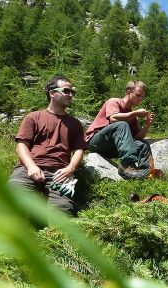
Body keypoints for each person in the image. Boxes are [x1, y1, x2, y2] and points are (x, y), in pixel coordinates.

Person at [9, 76, 87, 215]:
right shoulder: (33, 117)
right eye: (66, 91)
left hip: (60, 173)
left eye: (72, 92)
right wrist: (31, 166)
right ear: (52, 93)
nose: (70, 95)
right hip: (28, 168)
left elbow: (79, 150)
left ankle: (54, 235)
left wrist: (70, 169)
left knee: (63, 211)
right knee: (12, 201)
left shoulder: (75, 124)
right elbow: (21, 145)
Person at [85, 80, 154, 179]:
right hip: (95, 142)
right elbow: (113, 119)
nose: (140, 99)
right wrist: (135, 113)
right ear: (128, 92)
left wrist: (147, 125)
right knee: (121, 124)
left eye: (142, 97)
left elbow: (138, 137)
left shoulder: (132, 116)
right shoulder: (113, 102)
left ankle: (147, 173)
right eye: (138, 95)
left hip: (110, 147)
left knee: (142, 145)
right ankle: (127, 166)